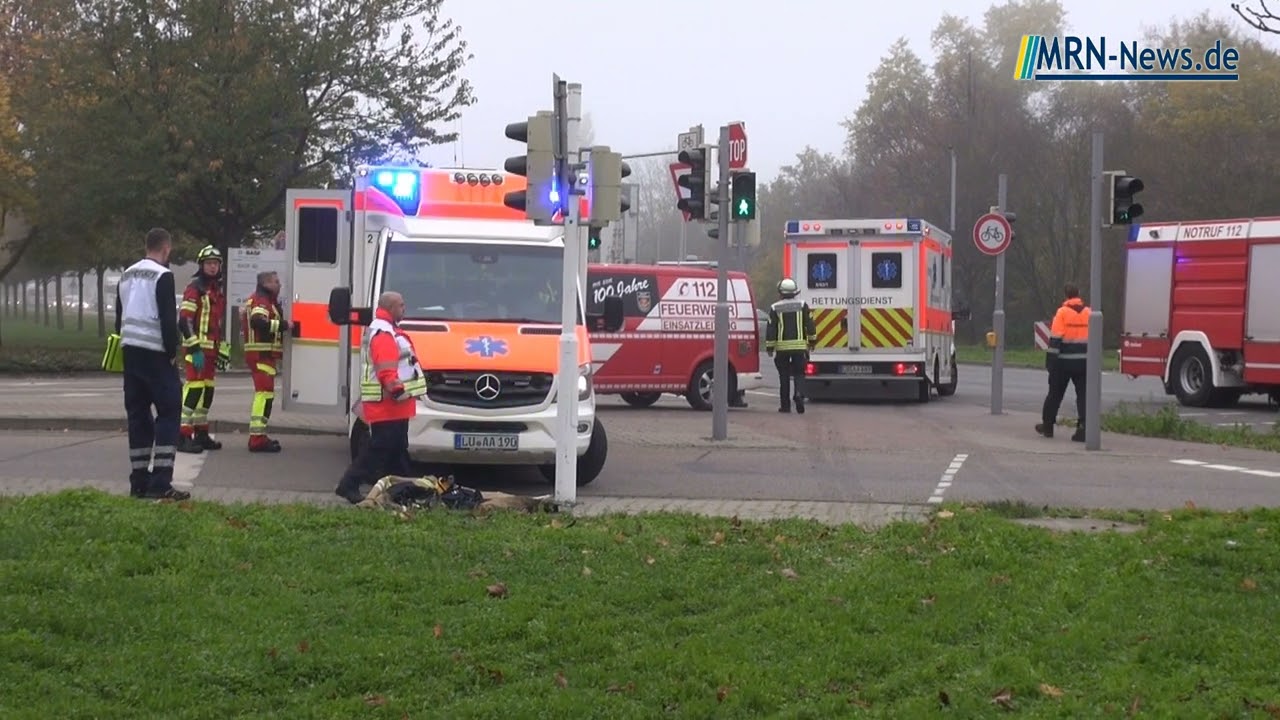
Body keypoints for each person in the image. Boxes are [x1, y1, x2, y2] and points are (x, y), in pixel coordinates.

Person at [115, 228, 190, 501]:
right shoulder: (163, 275)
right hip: (156, 356)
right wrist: (173, 351)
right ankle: (160, 482)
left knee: (138, 416)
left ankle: (138, 483)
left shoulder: (127, 273)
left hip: (130, 354)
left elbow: (119, 318)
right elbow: (168, 318)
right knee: (169, 413)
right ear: (166, 249)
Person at [334, 291, 428, 504]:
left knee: (396, 449)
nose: (404, 309)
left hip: (392, 404)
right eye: (401, 305)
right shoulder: (384, 334)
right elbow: (386, 370)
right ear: (391, 308)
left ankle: (403, 489)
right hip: (389, 403)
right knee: (379, 449)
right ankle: (349, 484)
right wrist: (397, 391)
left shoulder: (385, 330)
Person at [177, 245, 229, 454]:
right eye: (208, 263)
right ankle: (182, 435)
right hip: (196, 350)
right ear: (201, 265)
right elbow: (184, 320)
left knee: (207, 391)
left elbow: (217, 323)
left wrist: (222, 348)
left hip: (211, 351)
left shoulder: (216, 290)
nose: (212, 267)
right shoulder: (195, 288)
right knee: (194, 389)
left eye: (215, 264)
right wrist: (195, 346)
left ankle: (200, 432)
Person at [1037, 283, 1091, 442]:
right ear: (1078, 295)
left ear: (1066, 296)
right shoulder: (1089, 313)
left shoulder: (1062, 313)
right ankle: (1083, 429)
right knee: (1084, 396)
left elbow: (1055, 341)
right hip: (1084, 363)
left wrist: (1051, 365)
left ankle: (1048, 426)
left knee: (1055, 394)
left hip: (1063, 363)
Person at [243, 270, 286, 453]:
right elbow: (257, 322)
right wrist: (283, 325)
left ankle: (259, 436)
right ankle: (256, 439)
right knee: (263, 394)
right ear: (266, 284)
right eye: (276, 282)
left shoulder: (264, 299)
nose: (279, 285)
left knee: (266, 395)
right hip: (261, 354)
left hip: (263, 355)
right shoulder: (262, 300)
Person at [764, 277, 816, 414]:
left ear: (780, 292)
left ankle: (785, 406)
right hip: (799, 347)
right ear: (795, 292)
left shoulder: (775, 307)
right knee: (799, 374)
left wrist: (770, 347)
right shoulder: (803, 305)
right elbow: (810, 325)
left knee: (784, 376)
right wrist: (812, 342)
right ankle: (799, 394)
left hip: (782, 348)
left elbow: (771, 329)